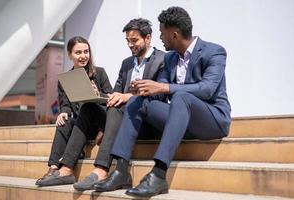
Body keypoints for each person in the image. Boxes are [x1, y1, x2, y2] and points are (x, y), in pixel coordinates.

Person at [93, 6, 231, 198]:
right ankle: (121, 170)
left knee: (182, 96)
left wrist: (163, 88)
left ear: (174, 34)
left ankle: (158, 174)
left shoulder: (214, 51)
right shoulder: (170, 58)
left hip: (212, 119)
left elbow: (207, 89)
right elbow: (161, 90)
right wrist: (143, 89)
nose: (159, 37)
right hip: (179, 119)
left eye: (162, 33)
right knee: (137, 101)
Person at [72, 18, 165, 191]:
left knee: (119, 105)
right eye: (127, 41)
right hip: (121, 119)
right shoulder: (127, 63)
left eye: (134, 40)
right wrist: (98, 96)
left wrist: (128, 97)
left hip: (145, 122)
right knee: (90, 107)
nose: (130, 45)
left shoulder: (162, 60)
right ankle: (66, 168)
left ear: (148, 38)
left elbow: (160, 98)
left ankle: (101, 170)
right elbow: (115, 94)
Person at [35, 36, 113, 186]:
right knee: (63, 121)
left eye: (86, 51)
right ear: (70, 55)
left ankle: (63, 167)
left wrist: (99, 95)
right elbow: (65, 104)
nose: (83, 56)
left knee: (88, 107)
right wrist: (63, 112)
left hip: (99, 122)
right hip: (80, 125)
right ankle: (53, 168)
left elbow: (111, 98)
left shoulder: (100, 73)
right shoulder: (65, 79)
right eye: (78, 52)